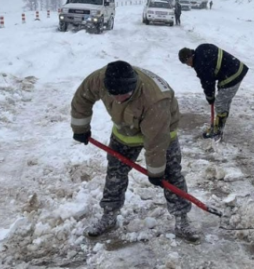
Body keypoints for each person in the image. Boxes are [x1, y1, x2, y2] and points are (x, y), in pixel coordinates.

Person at [70, 61, 200, 242]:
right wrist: (80, 128)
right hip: (125, 130)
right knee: (115, 172)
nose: (118, 99)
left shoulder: (155, 99)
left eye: (123, 95)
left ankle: (182, 219)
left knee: (170, 174)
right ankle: (109, 215)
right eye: (113, 94)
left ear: (133, 86)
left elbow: (156, 142)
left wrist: (156, 172)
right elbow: (82, 98)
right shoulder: (101, 79)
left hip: (161, 133)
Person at [178, 44, 248, 139]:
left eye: (187, 63)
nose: (189, 66)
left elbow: (208, 83)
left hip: (233, 75)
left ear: (189, 58)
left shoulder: (200, 64)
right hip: (235, 67)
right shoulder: (201, 48)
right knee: (223, 100)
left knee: (220, 103)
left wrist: (210, 98)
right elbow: (212, 68)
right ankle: (219, 124)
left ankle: (217, 131)